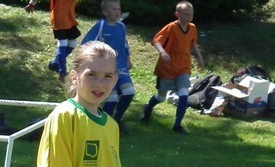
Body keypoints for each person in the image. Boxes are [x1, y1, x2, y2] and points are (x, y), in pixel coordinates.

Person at [140, 1, 204, 134]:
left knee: (183, 95)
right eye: (186, 14)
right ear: (177, 14)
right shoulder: (171, 27)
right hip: (167, 68)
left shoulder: (192, 28)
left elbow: (193, 44)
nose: (189, 17)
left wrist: (199, 58)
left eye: (191, 14)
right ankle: (148, 108)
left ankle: (177, 125)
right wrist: (162, 52)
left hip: (183, 67)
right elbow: (156, 41)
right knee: (161, 97)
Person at [81, 0, 134, 134]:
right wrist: (93, 60)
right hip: (106, 70)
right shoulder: (101, 26)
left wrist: (128, 59)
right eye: (114, 9)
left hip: (121, 67)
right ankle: (103, 124)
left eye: (119, 9)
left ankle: (117, 120)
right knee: (111, 98)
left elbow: (124, 45)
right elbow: (86, 43)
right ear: (105, 12)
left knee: (129, 92)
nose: (117, 12)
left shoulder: (121, 26)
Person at [25, 0, 79, 80]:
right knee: (62, 43)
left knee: (72, 43)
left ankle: (54, 64)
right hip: (59, 17)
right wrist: (31, 4)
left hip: (69, 18)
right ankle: (62, 72)